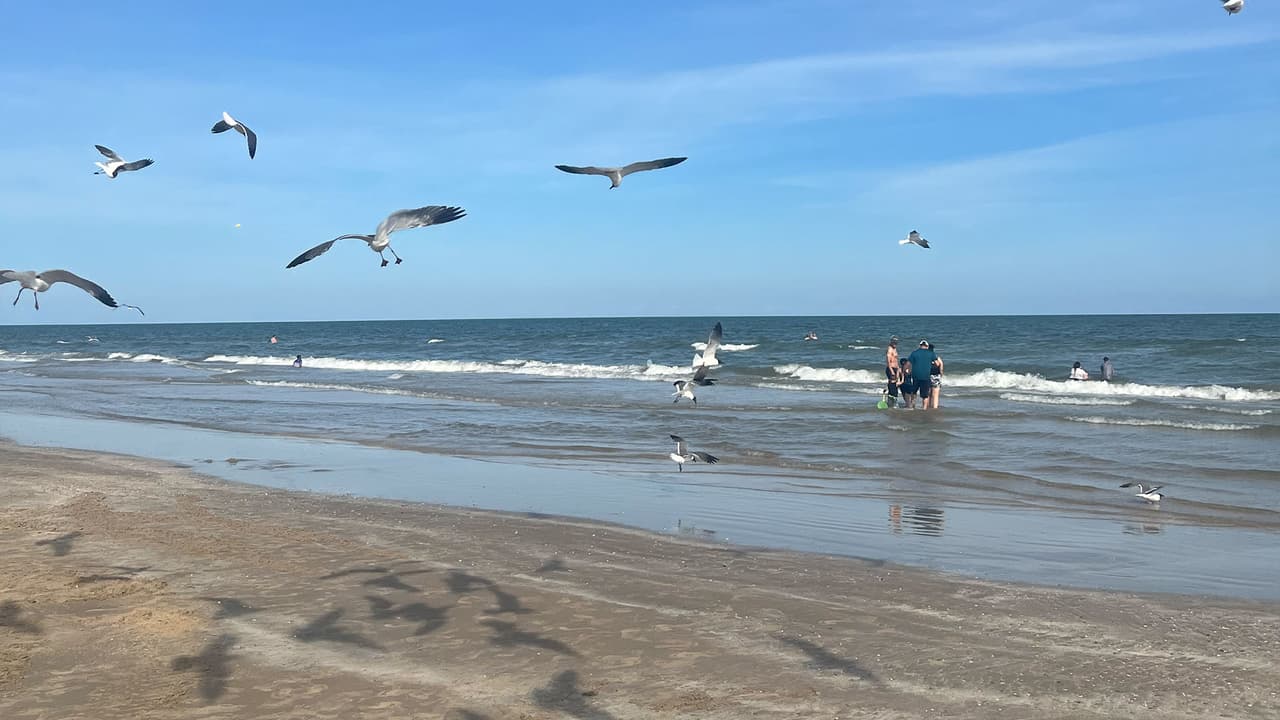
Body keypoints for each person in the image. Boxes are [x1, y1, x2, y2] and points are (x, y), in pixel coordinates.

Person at [907, 340, 938, 410]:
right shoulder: (931, 353)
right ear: (927, 346)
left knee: (914, 392)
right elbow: (937, 363)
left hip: (915, 376)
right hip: (926, 376)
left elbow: (908, 363)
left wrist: (906, 371)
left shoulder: (914, 353)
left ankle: (912, 406)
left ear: (920, 346)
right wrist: (931, 366)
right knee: (925, 395)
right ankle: (924, 408)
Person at [885, 336, 902, 406]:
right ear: (891, 342)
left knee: (896, 385)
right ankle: (892, 401)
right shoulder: (890, 349)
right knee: (892, 385)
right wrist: (891, 371)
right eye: (894, 342)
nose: (895, 344)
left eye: (896, 342)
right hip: (891, 368)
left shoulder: (895, 349)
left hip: (895, 368)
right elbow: (888, 361)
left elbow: (896, 360)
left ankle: (892, 401)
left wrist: (898, 369)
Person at [928, 342, 943, 408]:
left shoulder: (926, 358)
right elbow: (941, 369)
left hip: (927, 376)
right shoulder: (937, 358)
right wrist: (941, 376)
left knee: (928, 393)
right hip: (936, 376)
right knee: (935, 394)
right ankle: (935, 407)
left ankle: (927, 406)